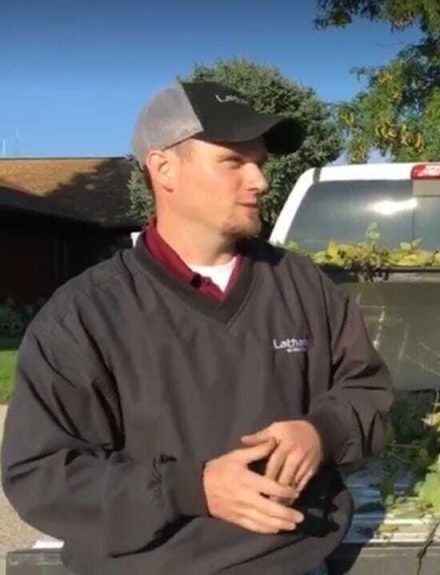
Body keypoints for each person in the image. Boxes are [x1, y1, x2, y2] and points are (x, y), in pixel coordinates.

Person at [1, 81, 394, 575]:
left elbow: (367, 390)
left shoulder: (302, 285)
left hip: (293, 560)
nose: (260, 181)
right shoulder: (85, 316)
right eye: (233, 162)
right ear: (164, 168)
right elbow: (40, 476)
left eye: (260, 163)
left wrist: (321, 431)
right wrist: (192, 488)